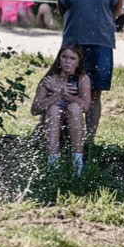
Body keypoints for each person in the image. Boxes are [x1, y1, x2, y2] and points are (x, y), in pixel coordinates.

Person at [55, 0, 124, 145]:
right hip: (73, 43)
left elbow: (117, 9)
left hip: (101, 42)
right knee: (69, 89)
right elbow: (61, 7)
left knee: (95, 93)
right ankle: (68, 138)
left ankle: (89, 141)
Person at [31, 43, 91, 174]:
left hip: (72, 128)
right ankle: (52, 163)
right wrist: (57, 94)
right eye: (64, 57)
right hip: (49, 128)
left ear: (78, 62)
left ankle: (77, 164)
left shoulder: (82, 79)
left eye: (72, 58)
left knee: (75, 107)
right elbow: (34, 109)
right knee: (53, 109)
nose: (67, 61)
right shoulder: (49, 79)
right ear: (59, 58)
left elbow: (85, 107)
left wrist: (64, 94)